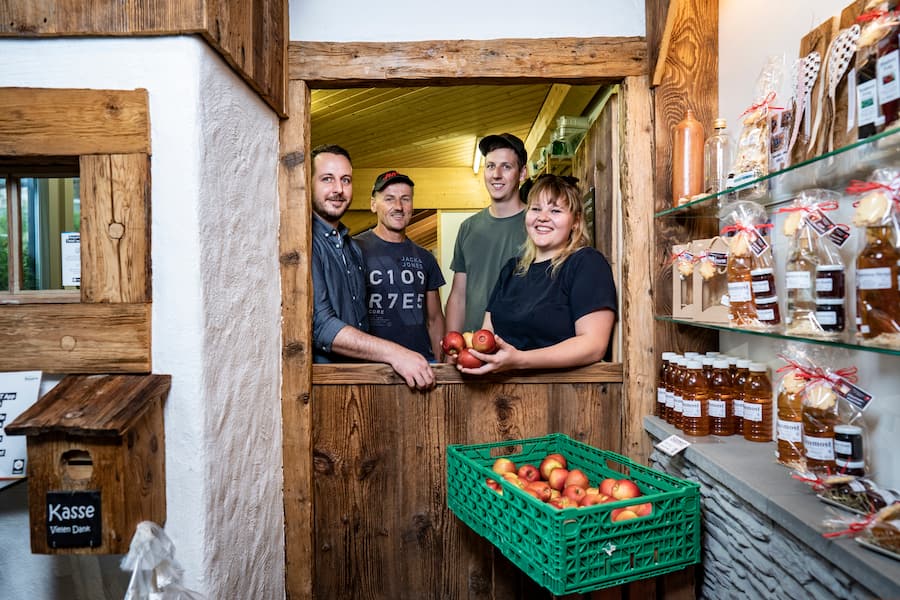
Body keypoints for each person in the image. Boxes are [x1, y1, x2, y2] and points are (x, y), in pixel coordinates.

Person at [456, 174, 617, 374]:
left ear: (575, 221)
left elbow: (592, 345)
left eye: (555, 210)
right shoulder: (511, 269)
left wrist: (520, 360)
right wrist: (473, 354)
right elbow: (488, 334)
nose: (542, 217)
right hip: (501, 397)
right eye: (536, 209)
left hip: (564, 396)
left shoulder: (586, 264)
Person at [309, 144, 435, 389]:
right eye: (327, 179)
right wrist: (396, 353)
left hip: (363, 380)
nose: (338, 189)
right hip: (326, 386)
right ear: (308, 183)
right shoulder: (304, 243)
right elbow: (321, 326)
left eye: (345, 180)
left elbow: (361, 320)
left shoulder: (350, 246)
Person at [355, 170, 446, 361]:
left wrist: (438, 366)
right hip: (371, 365)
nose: (398, 206)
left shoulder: (425, 258)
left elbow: (435, 319)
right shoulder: (353, 249)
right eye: (389, 199)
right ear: (373, 205)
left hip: (421, 363)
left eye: (405, 199)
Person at [445, 133, 529, 334]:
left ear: (523, 173)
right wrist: (451, 346)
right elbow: (458, 295)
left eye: (506, 167)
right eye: (490, 166)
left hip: (523, 350)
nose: (496, 174)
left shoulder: (538, 225)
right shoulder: (468, 227)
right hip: (474, 348)